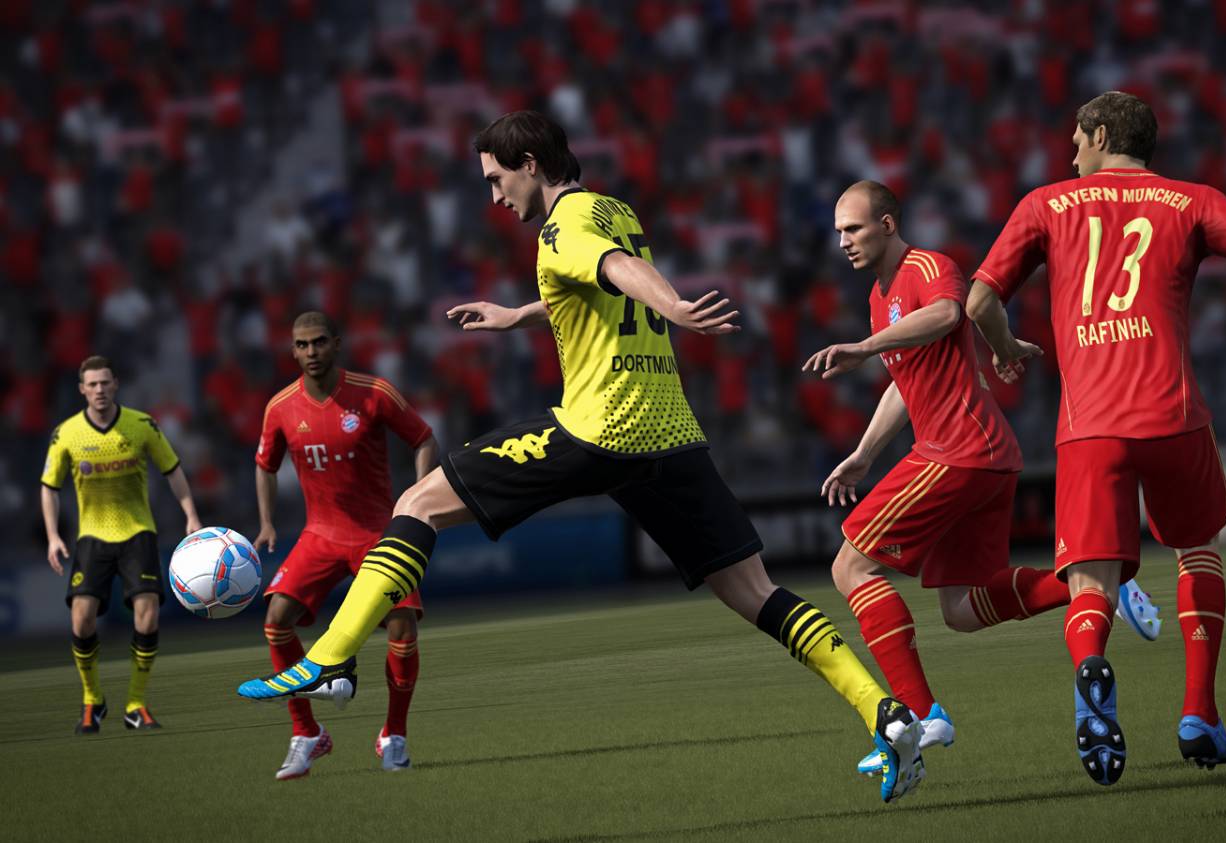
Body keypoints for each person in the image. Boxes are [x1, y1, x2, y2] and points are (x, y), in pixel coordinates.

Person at [236, 111, 926, 802]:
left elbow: (617, 270)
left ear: (530, 164)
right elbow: (603, 280)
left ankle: (331, 657)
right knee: (755, 591)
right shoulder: (614, 210)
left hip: (601, 428)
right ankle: (885, 714)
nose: (494, 196)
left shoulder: (560, 228)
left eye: (497, 179)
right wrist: (520, 314)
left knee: (418, 503)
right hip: (670, 432)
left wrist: (675, 307)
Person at [965, 92, 1226, 785]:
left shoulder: (1045, 204)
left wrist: (1005, 348)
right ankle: (1199, 714)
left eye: (1077, 139)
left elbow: (979, 300)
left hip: (1089, 426)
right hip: (1173, 415)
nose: (1071, 153)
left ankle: (1091, 670)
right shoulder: (1190, 200)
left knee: (1089, 577)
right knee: (1197, 548)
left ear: (1102, 135)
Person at [804, 181, 1161, 777]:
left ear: (888, 224)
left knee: (850, 568)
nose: (843, 241)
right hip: (982, 456)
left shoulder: (928, 267)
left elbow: (949, 313)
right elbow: (905, 382)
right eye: (839, 231)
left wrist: (864, 347)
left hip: (958, 452)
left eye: (855, 228)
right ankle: (1094, 589)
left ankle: (921, 714)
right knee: (962, 609)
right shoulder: (878, 296)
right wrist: (865, 454)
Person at [252, 312, 438, 778]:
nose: (310, 352)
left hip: (378, 532)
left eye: (318, 342)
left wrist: (418, 500)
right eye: (301, 345)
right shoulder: (280, 407)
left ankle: (394, 735)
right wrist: (267, 522)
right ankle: (307, 733)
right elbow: (265, 465)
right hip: (320, 533)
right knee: (276, 619)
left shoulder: (374, 392)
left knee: (402, 628)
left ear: (336, 344)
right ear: (292, 351)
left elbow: (423, 438)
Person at [41, 355, 203, 734]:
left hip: (137, 532)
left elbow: (173, 470)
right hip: (92, 536)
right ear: (82, 390)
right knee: (81, 618)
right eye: (92, 384)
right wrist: (52, 535)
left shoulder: (141, 425)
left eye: (104, 382)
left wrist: (191, 515)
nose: (99, 389)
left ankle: (135, 704)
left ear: (115, 384)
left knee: (148, 614)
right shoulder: (66, 433)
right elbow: (49, 487)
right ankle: (92, 699)